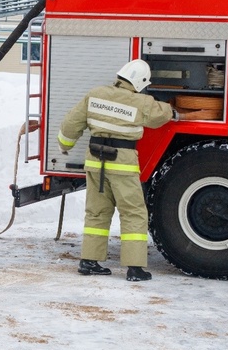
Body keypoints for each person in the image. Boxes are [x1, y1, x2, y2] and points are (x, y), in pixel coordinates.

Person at [58, 59, 180, 282]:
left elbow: (70, 124)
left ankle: (89, 262)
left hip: (95, 163)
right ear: (141, 82)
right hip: (122, 165)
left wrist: (65, 146)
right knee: (133, 213)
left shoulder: (95, 94)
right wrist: (172, 109)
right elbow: (161, 114)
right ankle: (134, 268)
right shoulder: (141, 102)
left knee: (97, 212)